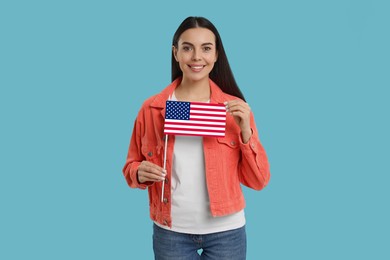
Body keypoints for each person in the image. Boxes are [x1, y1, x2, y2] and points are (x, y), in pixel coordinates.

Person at [122, 16, 270, 260]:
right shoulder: (152, 109)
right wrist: (138, 173)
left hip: (226, 231)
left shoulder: (234, 110)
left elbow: (259, 180)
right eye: (187, 48)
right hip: (171, 231)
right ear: (176, 53)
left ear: (216, 55)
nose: (196, 57)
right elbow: (130, 166)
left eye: (206, 48)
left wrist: (246, 132)